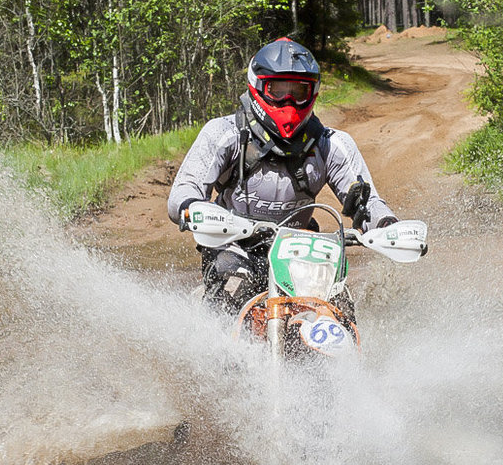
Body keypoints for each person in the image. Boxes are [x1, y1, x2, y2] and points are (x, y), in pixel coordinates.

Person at [168, 37, 398, 313]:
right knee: (228, 288)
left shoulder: (331, 144)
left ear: (312, 93)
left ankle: (346, 355)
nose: (289, 100)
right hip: (234, 246)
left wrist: (385, 225)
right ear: (258, 87)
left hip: (302, 250)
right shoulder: (225, 133)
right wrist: (192, 208)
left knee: (338, 308)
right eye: (278, 90)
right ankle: (216, 351)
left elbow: (368, 201)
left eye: (298, 91)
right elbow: (185, 188)